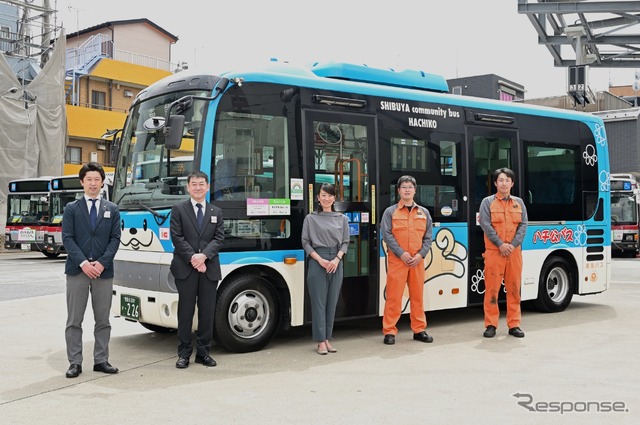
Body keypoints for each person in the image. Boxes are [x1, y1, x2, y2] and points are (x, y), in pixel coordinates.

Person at [63, 162, 121, 378]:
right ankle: (75, 362)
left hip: (103, 272)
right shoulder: (71, 209)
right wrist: (84, 264)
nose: (93, 183)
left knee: (103, 320)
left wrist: (102, 263)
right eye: (89, 179)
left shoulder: (112, 209)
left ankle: (101, 359)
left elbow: (115, 238)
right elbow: (67, 238)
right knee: (74, 320)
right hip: (78, 271)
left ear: (102, 182)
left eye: (97, 179)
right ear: (82, 182)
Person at [170, 171, 224, 368]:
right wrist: (193, 257)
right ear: (188, 187)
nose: (198, 187)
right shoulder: (178, 209)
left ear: (208, 187)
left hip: (208, 269)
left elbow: (219, 238)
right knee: (185, 311)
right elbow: (176, 237)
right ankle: (184, 353)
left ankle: (203, 353)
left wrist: (204, 256)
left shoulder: (216, 212)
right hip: (186, 268)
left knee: (207, 312)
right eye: (194, 184)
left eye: (202, 184)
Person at [381, 175, 433, 345]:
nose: (407, 189)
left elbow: (428, 238)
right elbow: (387, 235)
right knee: (394, 297)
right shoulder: (390, 212)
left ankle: (419, 330)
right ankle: (389, 331)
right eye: (404, 187)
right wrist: (401, 253)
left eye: (410, 186)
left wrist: (420, 255)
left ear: (415, 190)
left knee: (417, 296)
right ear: (398, 191)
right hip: (398, 261)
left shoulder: (424, 213)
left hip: (417, 261)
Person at [479, 167, 528, 338]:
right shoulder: (487, 202)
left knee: (514, 288)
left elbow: (523, 225)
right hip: (494, 252)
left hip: (514, 253)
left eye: (507, 180)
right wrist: (500, 244)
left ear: (512, 183)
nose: (504, 183)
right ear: (495, 183)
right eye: (500, 180)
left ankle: (514, 324)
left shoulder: (519, 203)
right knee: (492, 289)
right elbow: (486, 225)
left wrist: (512, 245)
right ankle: (491, 324)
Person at [301, 183, 349, 355]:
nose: (326, 198)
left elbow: (345, 242)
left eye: (329, 195)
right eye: (323, 195)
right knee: (319, 303)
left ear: (334, 198)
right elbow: (305, 242)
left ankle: (328, 339)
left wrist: (337, 259)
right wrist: (320, 259)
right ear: (318, 198)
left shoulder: (342, 219)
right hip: (317, 261)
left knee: (332, 303)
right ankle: (320, 341)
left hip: (336, 261)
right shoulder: (310, 218)